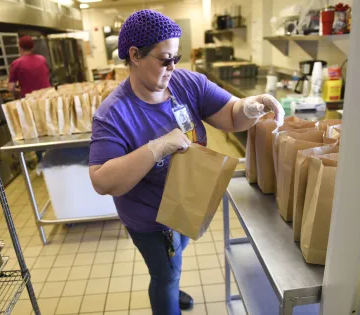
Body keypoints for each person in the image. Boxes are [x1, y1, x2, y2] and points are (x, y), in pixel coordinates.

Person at [89, 10, 284, 315]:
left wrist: (253, 106)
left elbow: (232, 114)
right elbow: (102, 180)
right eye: (165, 59)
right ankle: (167, 287)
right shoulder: (114, 114)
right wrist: (157, 147)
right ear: (135, 55)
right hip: (150, 218)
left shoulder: (186, 83)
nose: (173, 67)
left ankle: (170, 276)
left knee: (175, 255)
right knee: (165, 274)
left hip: (187, 199)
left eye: (176, 57)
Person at [8, 35, 50, 164]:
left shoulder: (16, 63)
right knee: (48, 128)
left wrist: (19, 90)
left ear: (20, 47)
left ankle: (42, 160)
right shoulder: (42, 59)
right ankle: (53, 156)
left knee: (35, 131)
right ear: (33, 47)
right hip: (47, 99)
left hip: (30, 103)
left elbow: (11, 87)